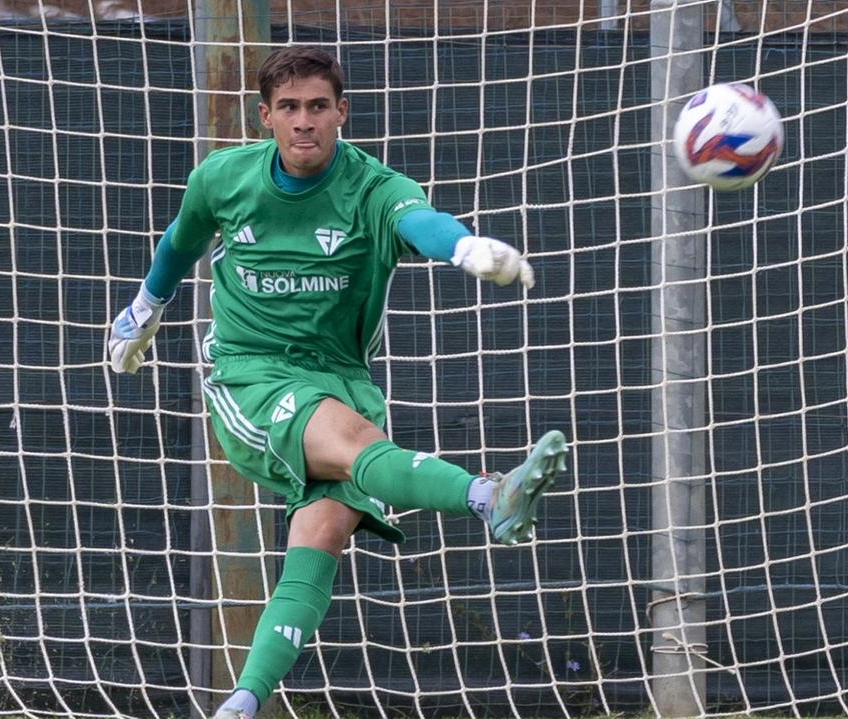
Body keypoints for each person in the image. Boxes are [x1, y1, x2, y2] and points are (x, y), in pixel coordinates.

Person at [105, 45, 567, 719]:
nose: (304, 122)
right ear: (265, 117)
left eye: (318, 107)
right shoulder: (223, 179)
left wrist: (464, 246)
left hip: (344, 377)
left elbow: (418, 221)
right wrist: (144, 311)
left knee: (317, 539)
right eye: (288, 108)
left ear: (340, 112)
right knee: (352, 442)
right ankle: (487, 496)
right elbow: (182, 238)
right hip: (251, 376)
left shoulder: (372, 188)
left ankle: (240, 701)